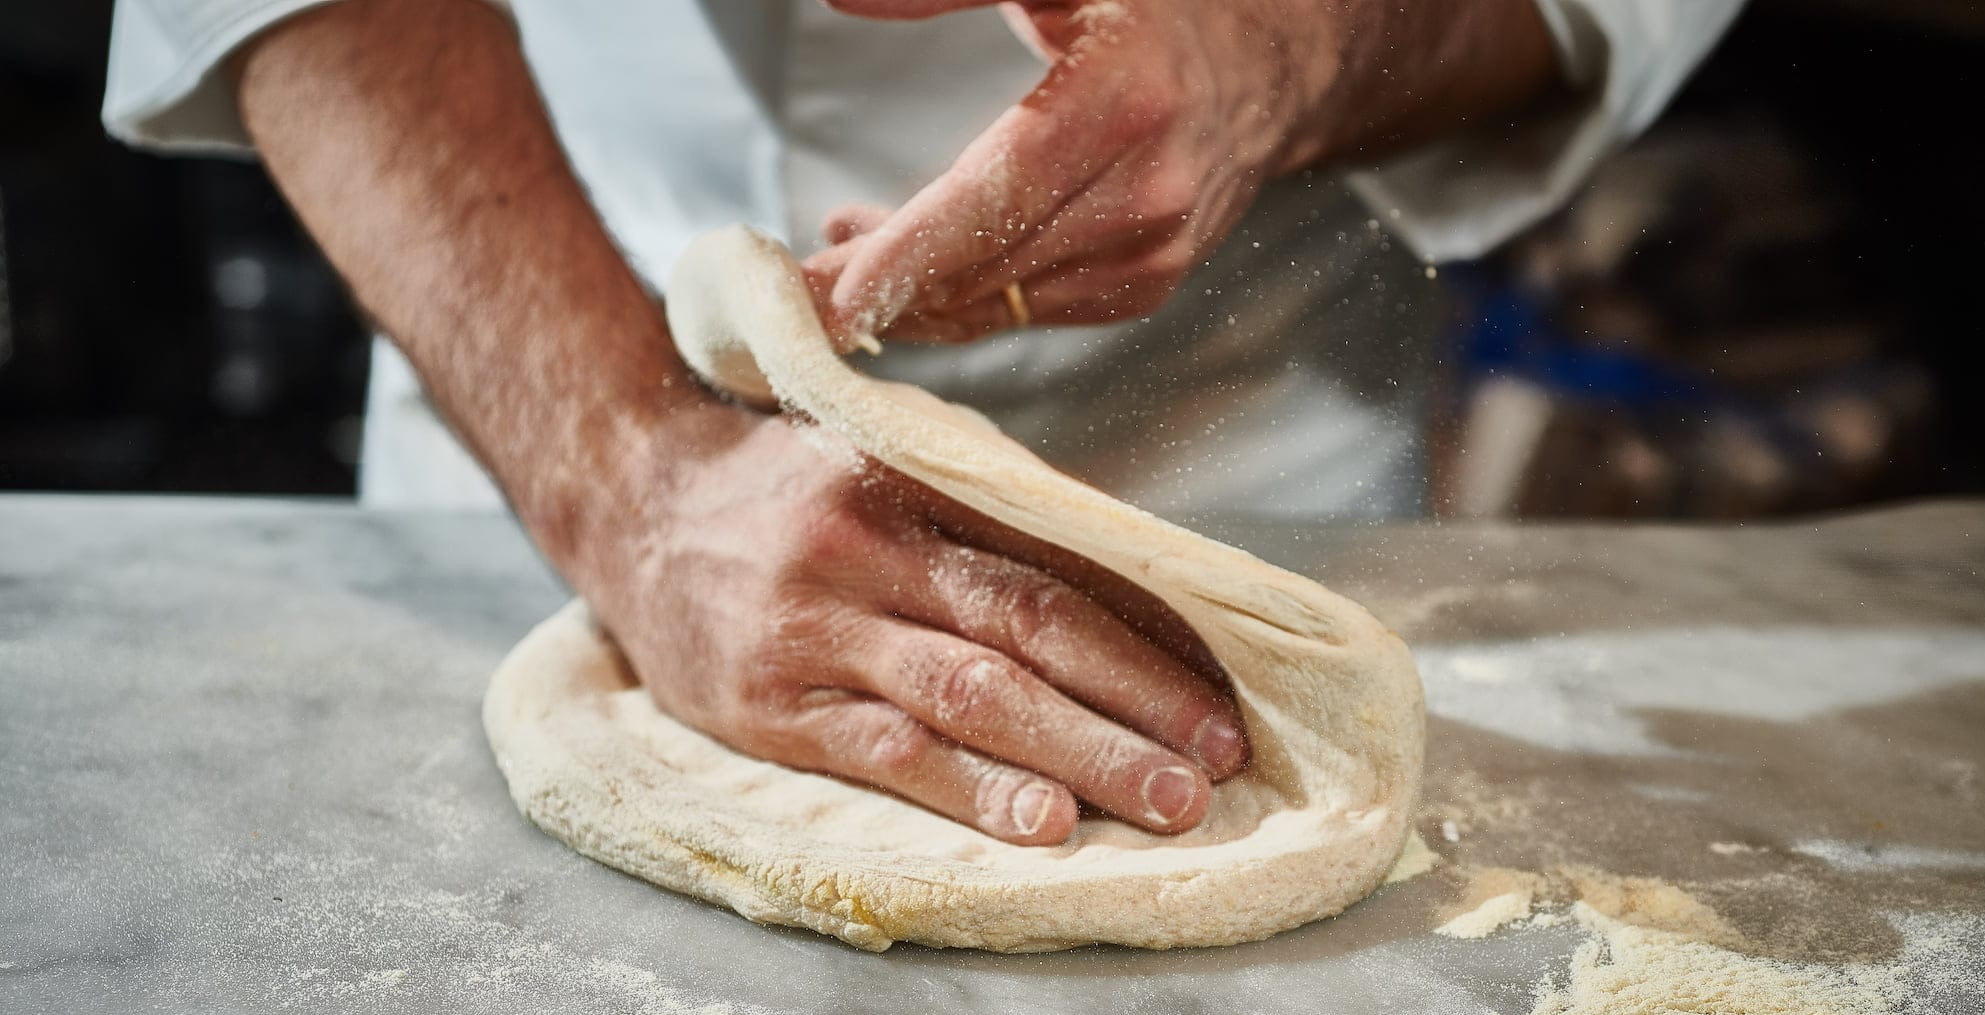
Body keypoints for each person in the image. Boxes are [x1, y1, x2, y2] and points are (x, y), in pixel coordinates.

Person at [105, 0, 1740, 846]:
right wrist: (625, 475)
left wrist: (1279, 56)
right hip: (530, 353)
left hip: (1235, 420)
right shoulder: (585, 443)